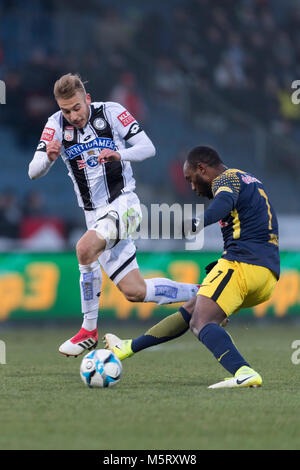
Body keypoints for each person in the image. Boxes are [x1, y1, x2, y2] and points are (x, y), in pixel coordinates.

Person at [28, 73, 199, 357]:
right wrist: (48, 157)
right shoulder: (55, 125)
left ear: (88, 100)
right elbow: (33, 171)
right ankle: (202, 293)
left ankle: (88, 330)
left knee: (84, 248)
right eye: (66, 110)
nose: (73, 115)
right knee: (135, 291)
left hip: (124, 205)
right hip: (94, 217)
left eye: (77, 108)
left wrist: (120, 154)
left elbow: (148, 148)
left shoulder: (112, 112)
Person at [104, 145, 280, 389]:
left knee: (201, 323)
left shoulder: (226, 179)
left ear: (202, 169)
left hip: (242, 265)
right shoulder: (249, 180)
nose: (192, 187)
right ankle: (126, 348)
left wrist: (196, 222)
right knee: (193, 308)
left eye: (191, 179)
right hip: (267, 275)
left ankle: (243, 371)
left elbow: (223, 203)